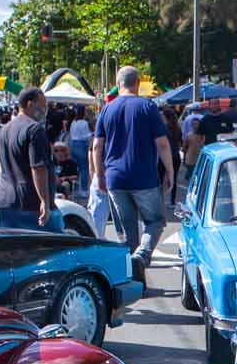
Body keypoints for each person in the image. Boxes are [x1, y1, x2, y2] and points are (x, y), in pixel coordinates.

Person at [92, 65, 174, 272]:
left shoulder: (107, 109)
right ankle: (142, 255)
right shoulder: (147, 107)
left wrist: (99, 175)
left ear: (118, 84)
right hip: (144, 177)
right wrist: (170, 172)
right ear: (137, 83)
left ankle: (132, 276)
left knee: (128, 233)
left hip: (115, 179)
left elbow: (97, 146)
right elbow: (163, 144)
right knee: (155, 221)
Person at [0, 86, 64, 233]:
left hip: (5, 201)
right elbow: (38, 168)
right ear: (30, 104)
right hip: (31, 204)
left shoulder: (4, 130)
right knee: (55, 243)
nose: (45, 110)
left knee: (15, 246)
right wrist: (44, 201)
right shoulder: (34, 129)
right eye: (43, 105)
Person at [65, 105, 93, 196]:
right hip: (81, 145)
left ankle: (75, 189)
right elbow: (86, 136)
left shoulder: (73, 122)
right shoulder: (84, 123)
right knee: (84, 168)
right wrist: (92, 135)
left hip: (73, 144)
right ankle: (84, 189)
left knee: (75, 168)